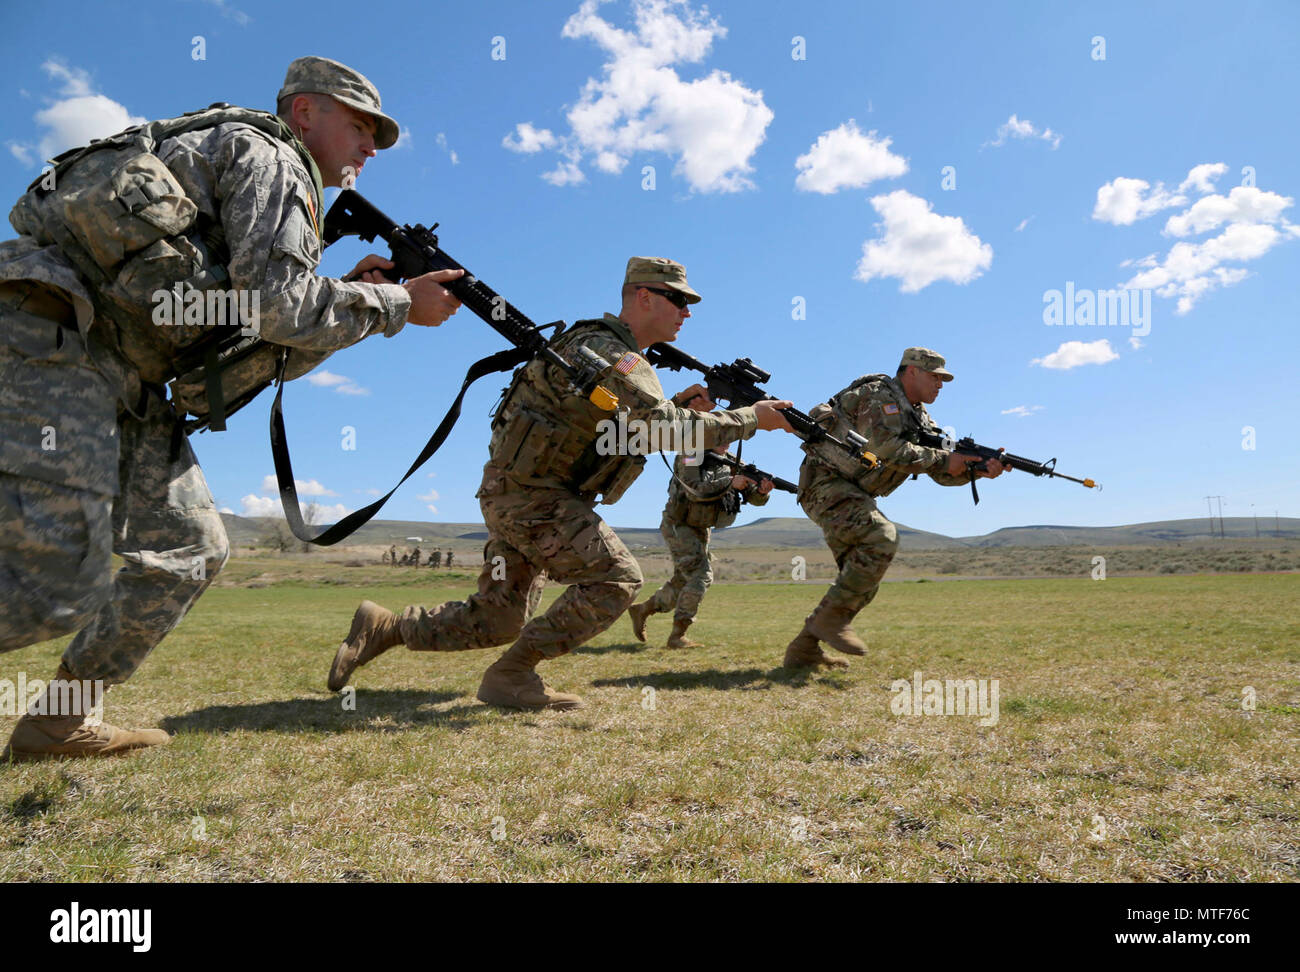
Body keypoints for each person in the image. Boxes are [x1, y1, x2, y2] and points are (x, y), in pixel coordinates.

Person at [0, 56, 465, 761]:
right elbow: (279, 306)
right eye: (361, 125)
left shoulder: (262, 169)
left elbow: (253, 330)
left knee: (189, 548)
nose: (371, 147)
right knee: (58, 573)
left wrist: (347, 292)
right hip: (54, 335)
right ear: (306, 113)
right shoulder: (275, 156)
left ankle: (56, 722)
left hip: (123, 372)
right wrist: (400, 303)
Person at [327, 256, 794, 709]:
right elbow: (659, 428)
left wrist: (683, 407)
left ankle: (386, 626)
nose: (686, 312)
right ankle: (512, 675)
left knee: (497, 618)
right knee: (616, 578)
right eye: (677, 300)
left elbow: (626, 432)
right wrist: (753, 418)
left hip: (518, 494)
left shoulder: (606, 351)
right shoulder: (613, 353)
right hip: (533, 498)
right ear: (644, 297)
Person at [784, 348, 1005, 669]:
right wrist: (946, 459)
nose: (940, 384)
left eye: (943, 379)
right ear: (911, 371)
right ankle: (828, 624)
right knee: (881, 537)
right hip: (826, 484)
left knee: (862, 578)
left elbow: (939, 472)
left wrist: (975, 470)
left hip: (852, 492)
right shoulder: (879, 396)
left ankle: (804, 651)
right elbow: (884, 448)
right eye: (935, 376)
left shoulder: (920, 418)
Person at [627, 435, 772, 648]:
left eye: (731, 438)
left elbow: (752, 497)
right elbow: (694, 489)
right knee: (700, 576)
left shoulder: (731, 461)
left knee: (683, 581)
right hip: (679, 525)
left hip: (701, 528)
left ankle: (643, 609)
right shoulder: (689, 455)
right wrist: (730, 482)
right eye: (723, 436)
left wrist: (761, 492)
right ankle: (678, 635)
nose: (727, 442)